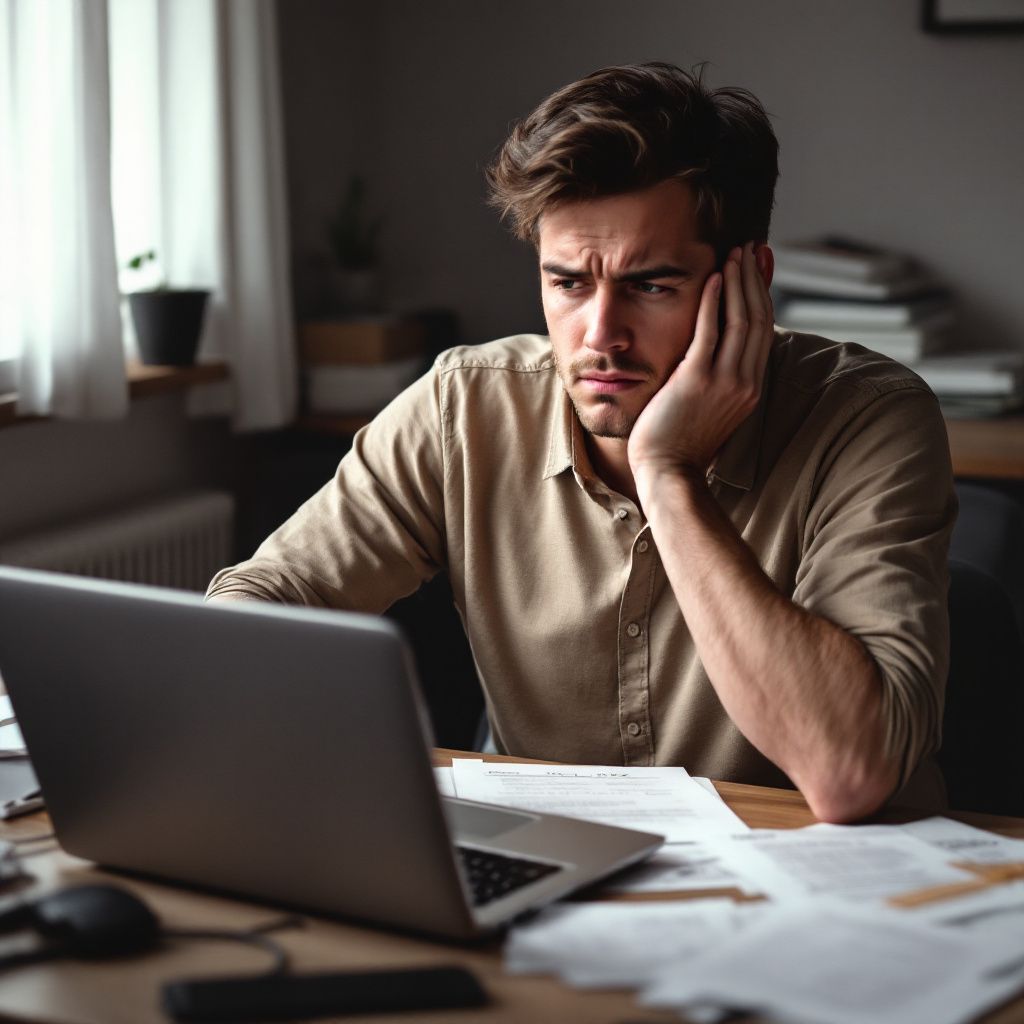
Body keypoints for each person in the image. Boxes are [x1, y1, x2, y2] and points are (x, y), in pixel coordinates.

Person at [208, 63, 955, 822]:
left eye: (650, 285)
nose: (601, 337)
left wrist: (667, 474)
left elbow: (850, 773)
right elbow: (256, 601)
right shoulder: (464, 406)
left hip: (817, 898)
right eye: (568, 283)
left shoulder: (870, 419)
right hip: (558, 879)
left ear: (750, 280)